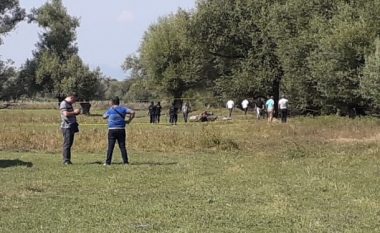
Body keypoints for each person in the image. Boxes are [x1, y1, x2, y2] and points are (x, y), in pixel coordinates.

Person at [103, 97, 135, 166]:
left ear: (112, 102)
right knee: (122, 146)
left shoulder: (110, 109)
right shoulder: (123, 109)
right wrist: (129, 120)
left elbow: (104, 116)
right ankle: (125, 162)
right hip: (121, 129)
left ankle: (108, 162)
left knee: (110, 146)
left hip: (112, 129)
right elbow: (132, 112)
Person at [60, 93, 81, 165]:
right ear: (71, 97)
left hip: (71, 126)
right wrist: (74, 112)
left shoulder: (69, 104)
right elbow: (65, 114)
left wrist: (75, 113)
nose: (75, 102)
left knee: (70, 143)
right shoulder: (63, 103)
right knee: (67, 143)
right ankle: (66, 160)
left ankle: (68, 160)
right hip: (66, 126)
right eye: (74, 100)